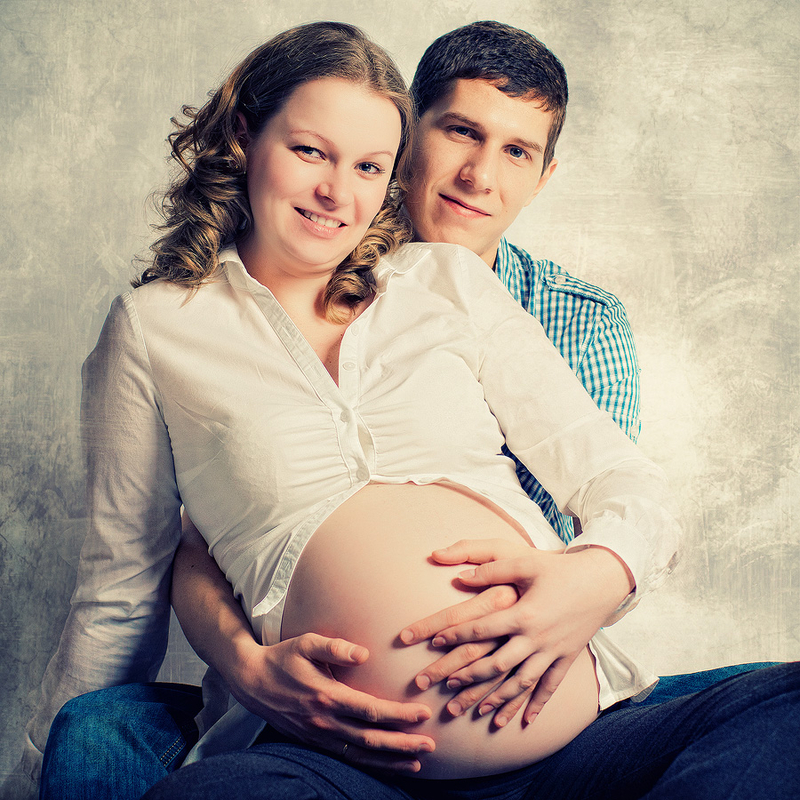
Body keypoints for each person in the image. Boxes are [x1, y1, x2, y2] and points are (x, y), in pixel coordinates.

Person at [28, 17, 687, 798]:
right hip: (322, 760)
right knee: (167, 775)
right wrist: (36, 770)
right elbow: (133, 577)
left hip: (571, 736)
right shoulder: (156, 326)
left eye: (368, 166)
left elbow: (623, 487)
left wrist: (600, 574)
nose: (338, 193)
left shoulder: (447, 283)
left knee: (784, 705)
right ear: (245, 137)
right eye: (311, 151)